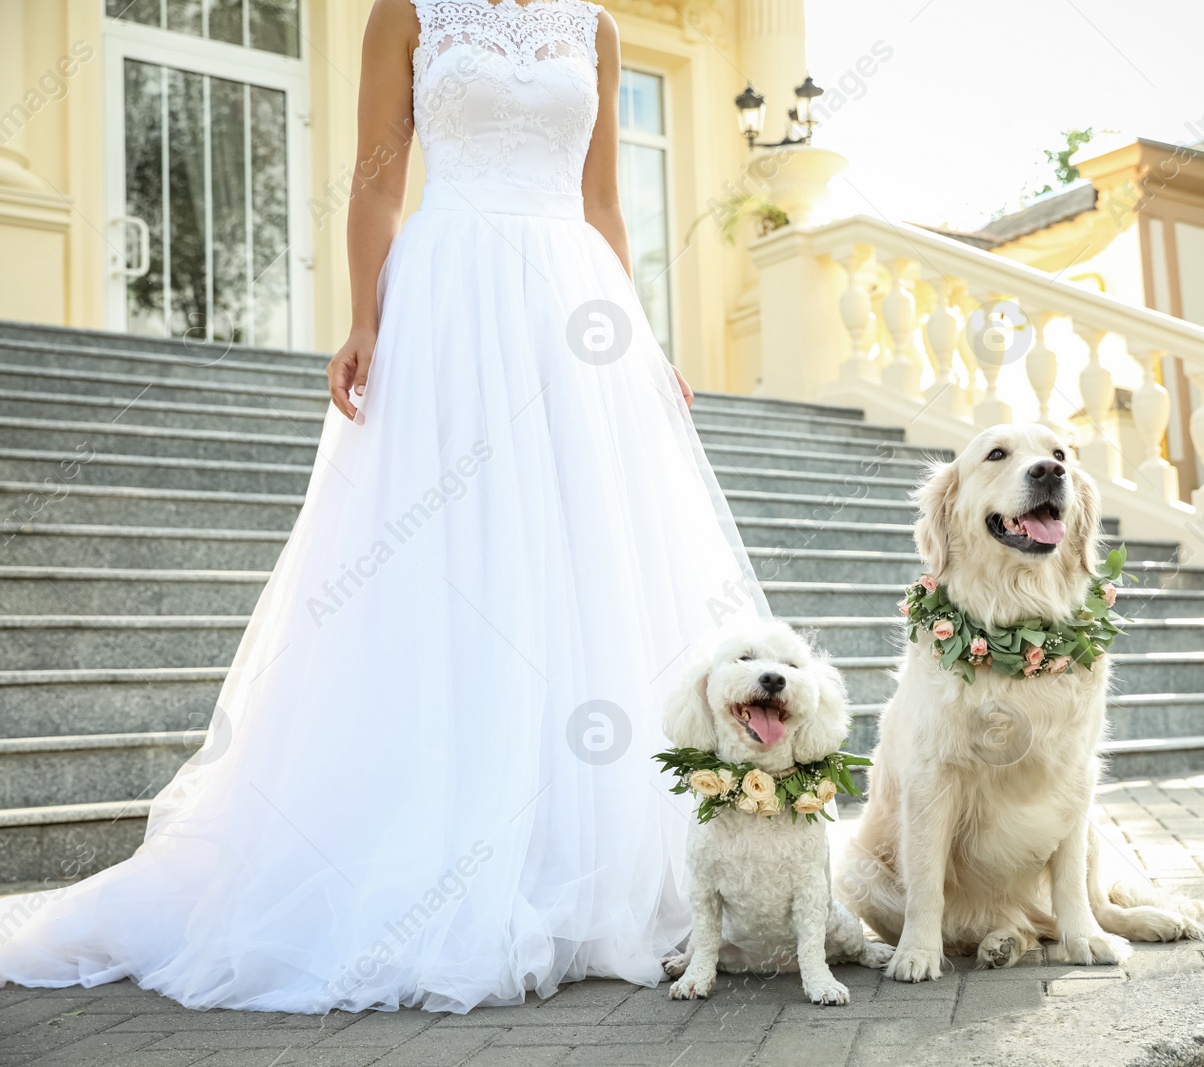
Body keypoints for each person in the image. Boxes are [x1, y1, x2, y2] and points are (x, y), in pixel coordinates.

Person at [0, 0, 767, 1013]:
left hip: (573, 311)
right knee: (452, 555)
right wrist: (364, 316)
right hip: (450, 299)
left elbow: (605, 204)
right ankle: (449, 842)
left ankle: (604, 862)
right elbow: (375, 177)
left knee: (590, 564)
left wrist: (641, 339)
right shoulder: (406, 11)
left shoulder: (597, 27)